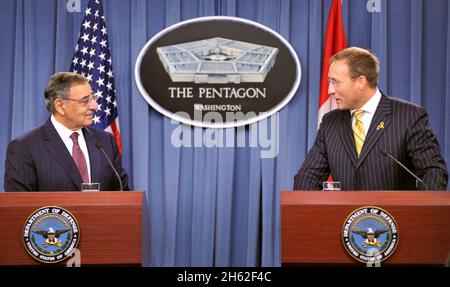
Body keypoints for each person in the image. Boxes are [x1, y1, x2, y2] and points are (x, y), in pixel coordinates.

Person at [294, 47, 448, 190]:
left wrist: (419, 215)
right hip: (345, 218)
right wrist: (302, 210)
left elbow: (433, 171)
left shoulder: (409, 116)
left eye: (336, 82)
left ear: (361, 81)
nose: (330, 90)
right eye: (329, 81)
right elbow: (308, 176)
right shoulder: (330, 122)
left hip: (394, 218)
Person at [4, 72, 129, 191]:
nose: (95, 106)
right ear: (60, 106)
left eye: (93, 97)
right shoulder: (25, 147)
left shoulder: (106, 141)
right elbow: (19, 207)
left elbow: (122, 194)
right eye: (85, 100)